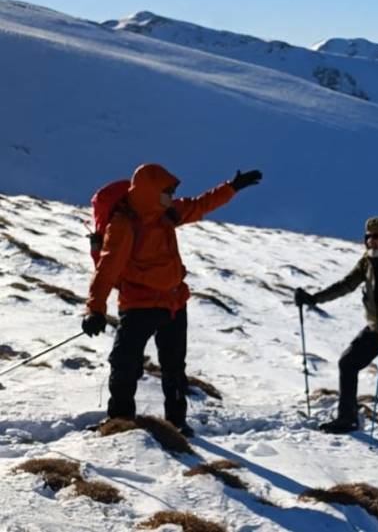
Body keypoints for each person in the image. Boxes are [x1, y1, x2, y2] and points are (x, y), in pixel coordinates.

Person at [83, 164, 262, 437]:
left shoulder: (166, 213)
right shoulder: (123, 224)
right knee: (124, 363)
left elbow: (201, 204)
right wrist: (95, 310)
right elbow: (107, 269)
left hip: (174, 303)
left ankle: (177, 423)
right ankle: (119, 421)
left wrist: (232, 187)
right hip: (138, 304)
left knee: (174, 367)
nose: (172, 196)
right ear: (150, 191)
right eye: (167, 191)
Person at [295, 217, 378, 435]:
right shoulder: (366, 262)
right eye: (367, 236)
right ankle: (347, 418)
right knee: (347, 363)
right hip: (375, 329)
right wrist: (314, 299)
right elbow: (345, 285)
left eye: (375, 236)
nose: (370, 241)